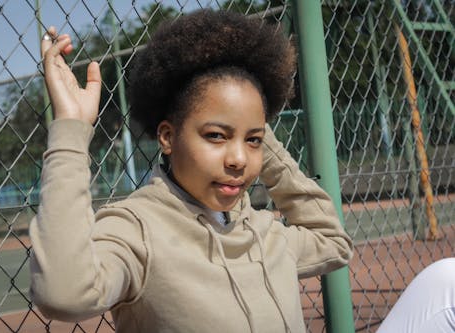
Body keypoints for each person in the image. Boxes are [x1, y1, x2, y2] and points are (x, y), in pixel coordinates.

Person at [30, 9, 353, 333]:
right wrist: (70, 129)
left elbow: (332, 241)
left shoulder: (264, 230)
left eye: (253, 140)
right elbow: (64, 294)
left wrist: (253, 130)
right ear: (168, 137)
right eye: (216, 135)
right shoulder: (138, 229)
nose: (238, 159)